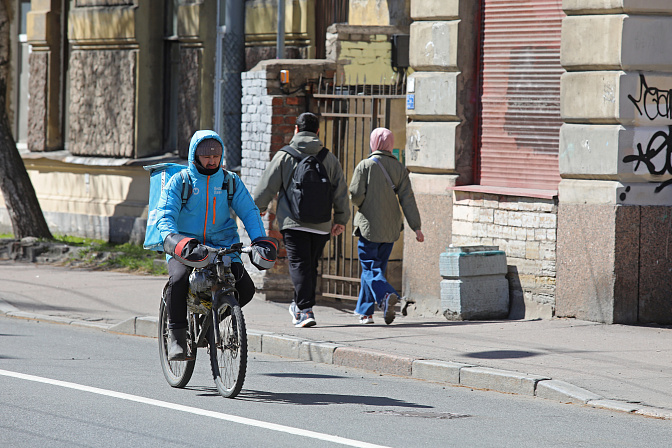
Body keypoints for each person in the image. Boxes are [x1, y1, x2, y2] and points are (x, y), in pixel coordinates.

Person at [156, 130, 277, 360]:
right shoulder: (180, 181)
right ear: (195, 156)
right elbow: (165, 216)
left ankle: (211, 324)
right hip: (185, 245)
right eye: (206, 156)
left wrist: (260, 241)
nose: (212, 161)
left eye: (216, 156)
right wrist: (176, 241)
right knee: (179, 280)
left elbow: (249, 211)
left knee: (246, 289)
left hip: (223, 245)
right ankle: (177, 338)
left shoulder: (230, 181)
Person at [253, 112, 350, 328]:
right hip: (322, 224)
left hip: (293, 223)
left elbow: (266, 186)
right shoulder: (329, 158)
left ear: (296, 130)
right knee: (310, 266)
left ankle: (305, 310)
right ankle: (300, 305)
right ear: (317, 132)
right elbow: (340, 191)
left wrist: (257, 210)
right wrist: (341, 219)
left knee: (299, 265)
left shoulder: (284, 156)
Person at [349, 127, 424, 325]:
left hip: (369, 227)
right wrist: (416, 227)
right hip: (391, 228)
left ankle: (387, 295)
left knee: (369, 268)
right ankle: (366, 313)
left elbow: (355, 195)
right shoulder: (399, 168)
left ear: (373, 143)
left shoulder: (365, 165)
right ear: (390, 144)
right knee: (376, 270)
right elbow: (407, 199)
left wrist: (364, 202)